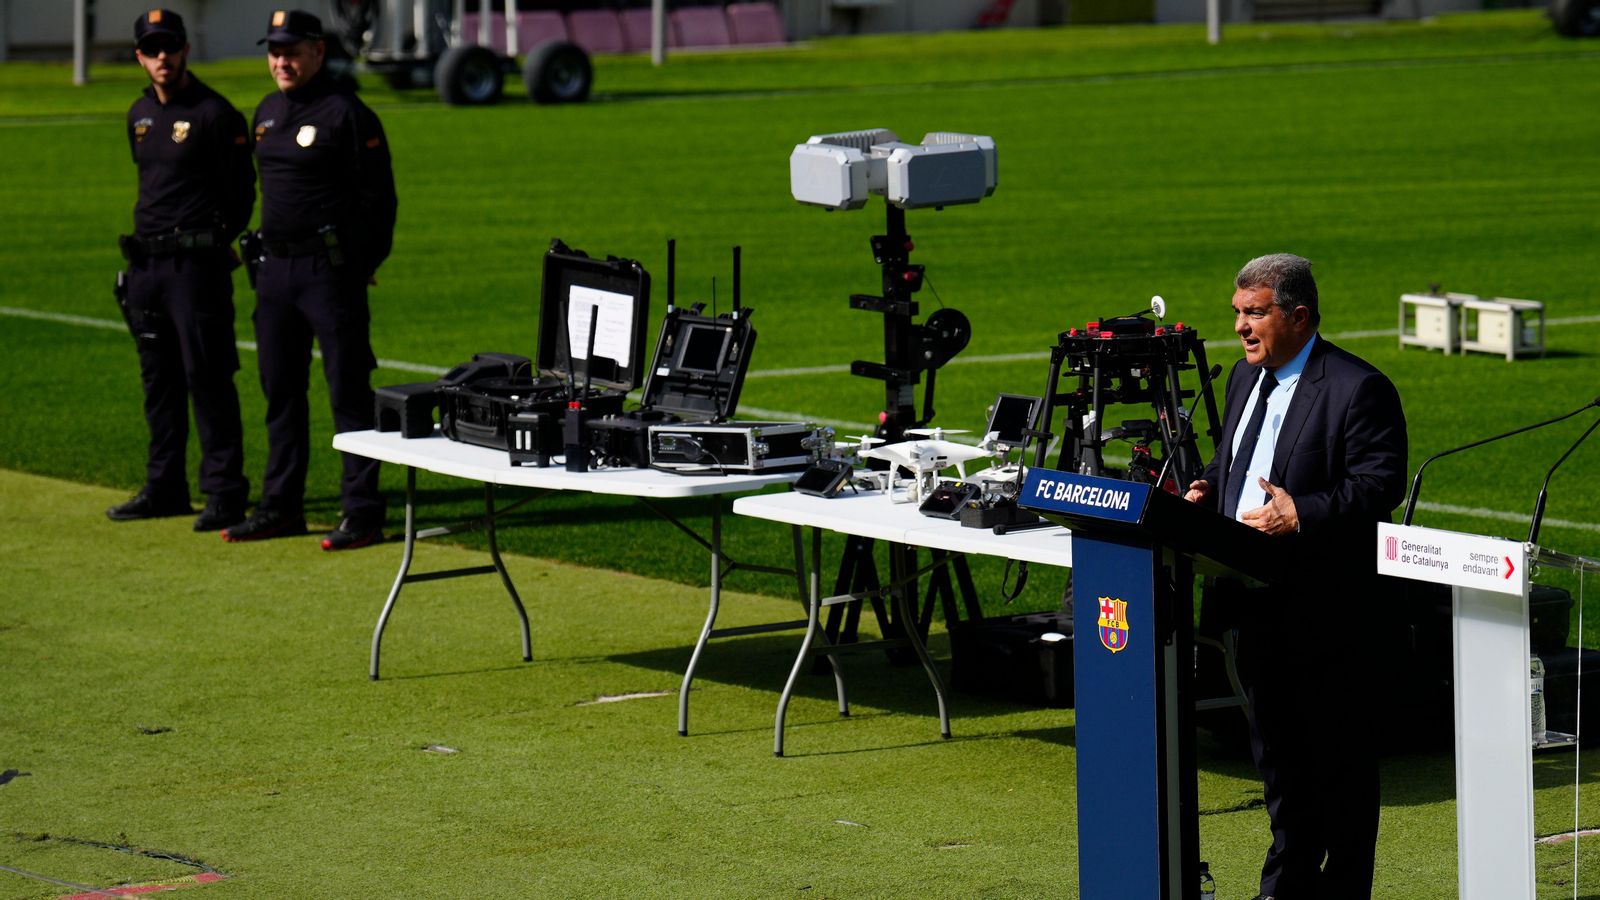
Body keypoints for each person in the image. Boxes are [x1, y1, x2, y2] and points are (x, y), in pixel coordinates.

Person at [1184, 254, 1408, 900]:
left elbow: (1377, 485)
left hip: (1327, 614)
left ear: (1299, 315)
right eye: (1238, 314)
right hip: (1251, 608)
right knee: (1280, 769)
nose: (1242, 328)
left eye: (1255, 313)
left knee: (1339, 775)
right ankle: (1284, 889)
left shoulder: (1357, 388)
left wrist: (1300, 513)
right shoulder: (1239, 380)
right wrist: (1209, 492)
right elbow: (1237, 460)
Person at [224, 9, 396, 551]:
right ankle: (281, 507)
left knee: (347, 392)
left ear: (318, 53)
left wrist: (362, 262)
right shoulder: (267, 111)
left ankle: (363, 512)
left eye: (292, 51)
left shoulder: (347, 113)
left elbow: (380, 201)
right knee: (280, 391)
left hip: (328, 272)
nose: (281, 61)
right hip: (274, 273)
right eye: (274, 51)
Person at [110, 9, 254, 532]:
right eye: (152, 49)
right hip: (146, 266)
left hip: (196, 269)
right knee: (159, 382)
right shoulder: (138, 115)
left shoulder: (216, 114)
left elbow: (242, 194)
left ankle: (224, 492)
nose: (162, 57)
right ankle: (165, 486)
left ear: (186, 50)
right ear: (140, 57)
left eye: (170, 47)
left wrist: (215, 240)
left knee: (208, 377)